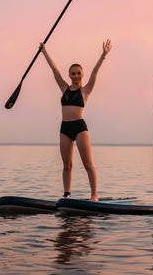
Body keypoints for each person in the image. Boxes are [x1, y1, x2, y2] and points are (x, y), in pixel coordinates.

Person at [39, 39, 112, 200]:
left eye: (78, 73)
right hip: (64, 128)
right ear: (69, 75)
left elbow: (95, 72)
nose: (76, 76)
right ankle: (67, 195)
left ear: (82, 74)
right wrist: (44, 52)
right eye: (73, 73)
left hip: (79, 128)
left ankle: (94, 195)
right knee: (67, 166)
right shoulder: (64, 88)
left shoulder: (85, 90)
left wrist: (103, 54)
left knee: (87, 164)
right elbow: (54, 69)